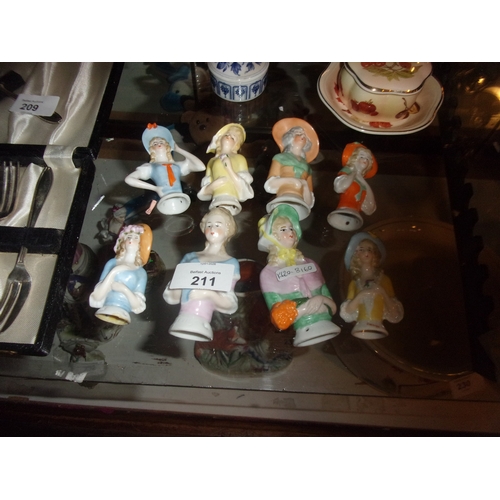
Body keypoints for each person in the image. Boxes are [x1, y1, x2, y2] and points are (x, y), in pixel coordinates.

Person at [258, 204, 340, 346]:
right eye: (283, 229)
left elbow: (332, 306)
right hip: (302, 327)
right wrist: (306, 307)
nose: (290, 232)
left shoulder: (311, 263)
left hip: (326, 320)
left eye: (291, 228)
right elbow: (279, 319)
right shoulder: (268, 273)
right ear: (273, 236)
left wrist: (320, 298)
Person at [164, 207, 240, 341]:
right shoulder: (190, 257)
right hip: (182, 317)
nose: (212, 228)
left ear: (228, 230)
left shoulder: (230, 263)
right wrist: (183, 288)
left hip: (203, 322)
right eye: (209, 225)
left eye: (218, 225)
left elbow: (229, 303)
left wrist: (207, 293)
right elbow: (171, 295)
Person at [125, 123, 205, 215]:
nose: (159, 144)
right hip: (164, 196)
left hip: (179, 195)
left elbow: (200, 167)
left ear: (167, 145)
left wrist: (179, 150)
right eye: (155, 143)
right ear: (151, 149)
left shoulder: (177, 165)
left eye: (161, 142)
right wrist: (155, 188)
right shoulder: (150, 167)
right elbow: (129, 179)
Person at [340, 232, 403, 339]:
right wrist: (361, 295)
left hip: (378, 326)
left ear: (375, 254)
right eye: (362, 249)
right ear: (356, 254)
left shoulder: (384, 280)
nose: (366, 252)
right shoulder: (354, 283)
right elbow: (347, 312)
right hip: (360, 326)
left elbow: (395, 314)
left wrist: (382, 292)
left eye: (370, 249)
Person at [89, 224, 152, 325]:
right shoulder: (112, 263)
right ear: (123, 241)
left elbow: (137, 306)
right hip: (106, 307)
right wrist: (114, 271)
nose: (131, 240)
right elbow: (97, 296)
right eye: (128, 237)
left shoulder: (141, 273)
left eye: (136, 238)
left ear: (141, 243)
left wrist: (124, 289)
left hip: (123, 312)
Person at [264, 118, 319, 220]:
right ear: (291, 137)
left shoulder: (307, 166)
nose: (303, 136)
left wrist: (304, 185)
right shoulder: (280, 158)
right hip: (283, 195)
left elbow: (309, 201)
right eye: (299, 134)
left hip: (299, 200)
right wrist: (293, 181)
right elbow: (269, 184)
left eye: (305, 136)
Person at [197, 123, 253, 215]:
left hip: (232, 199)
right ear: (219, 138)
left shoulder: (240, 158)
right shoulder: (212, 160)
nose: (229, 137)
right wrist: (213, 185)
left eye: (233, 138)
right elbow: (205, 186)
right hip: (216, 199)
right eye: (227, 134)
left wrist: (229, 169)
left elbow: (245, 183)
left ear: (236, 144)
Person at [328, 142, 377, 231]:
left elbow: (370, 209)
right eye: (362, 156)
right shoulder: (347, 172)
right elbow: (339, 187)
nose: (365, 160)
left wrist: (362, 179)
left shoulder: (363, 183)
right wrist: (354, 172)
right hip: (343, 208)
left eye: (367, 158)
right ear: (355, 159)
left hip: (355, 213)